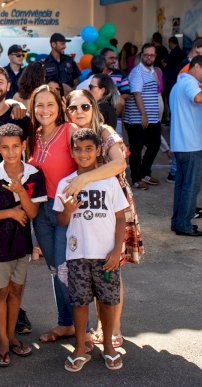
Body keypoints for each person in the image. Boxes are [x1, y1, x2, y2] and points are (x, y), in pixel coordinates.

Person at [28, 85, 126, 346]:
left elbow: (98, 161)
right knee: (54, 269)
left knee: (67, 269)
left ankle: (89, 329)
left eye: (50, 104)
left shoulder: (70, 130)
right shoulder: (34, 135)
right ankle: (66, 324)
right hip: (41, 211)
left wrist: (82, 184)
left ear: (59, 106)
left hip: (69, 208)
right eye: (39, 105)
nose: (45, 110)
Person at [55, 128, 129, 373]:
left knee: (107, 301)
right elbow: (62, 221)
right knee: (79, 302)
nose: (83, 154)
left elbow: (121, 218)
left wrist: (117, 249)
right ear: (72, 151)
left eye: (89, 149)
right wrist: (68, 209)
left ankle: (108, 345)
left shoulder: (109, 182)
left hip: (106, 255)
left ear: (99, 151)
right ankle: (79, 347)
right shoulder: (66, 184)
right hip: (78, 255)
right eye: (78, 149)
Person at [65, 89, 134, 349]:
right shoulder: (71, 132)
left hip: (112, 203)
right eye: (73, 108)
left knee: (111, 267)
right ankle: (98, 327)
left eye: (85, 106)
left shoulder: (105, 132)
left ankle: (112, 327)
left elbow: (119, 165)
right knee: (90, 267)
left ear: (94, 107)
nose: (79, 112)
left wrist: (83, 178)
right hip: (82, 209)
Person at [0, 123, 46, 367]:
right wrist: (10, 213)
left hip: (21, 246)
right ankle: (3, 341)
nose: (11, 151)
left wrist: (20, 192)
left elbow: (33, 213)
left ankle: (13, 335)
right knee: (0, 293)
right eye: (5, 147)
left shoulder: (34, 174)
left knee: (16, 292)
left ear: (24, 146)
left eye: (16, 146)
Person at [169, 56, 202, 237]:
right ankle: (184, 224)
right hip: (192, 145)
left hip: (184, 144)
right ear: (196, 66)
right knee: (190, 186)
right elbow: (198, 97)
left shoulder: (179, 84)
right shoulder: (189, 83)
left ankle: (179, 221)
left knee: (182, 185)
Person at [124, 44, 162, 189]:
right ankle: (136, 178)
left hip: (152, 118)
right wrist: (143, 114)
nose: (149, 57)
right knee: (136, 148)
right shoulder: (137, 72)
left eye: (152, 55)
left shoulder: (152, 71)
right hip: (137, 118)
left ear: (155, 56)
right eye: (146, 55)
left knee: (155, 145)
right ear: (141, 55)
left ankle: (145, 173)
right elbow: (137, 93)